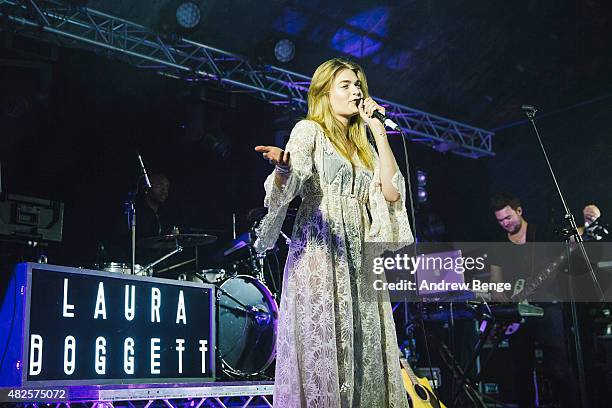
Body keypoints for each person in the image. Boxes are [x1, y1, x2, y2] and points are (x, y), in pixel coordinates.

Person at [253, 58, 413, 407]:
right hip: (321, 251)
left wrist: (378, 132)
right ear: (324, 93)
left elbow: (391, 193)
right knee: (324, 350)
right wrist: (283, 168)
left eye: (358, 85)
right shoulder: (309, 130)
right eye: (346, 85)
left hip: (359, 255)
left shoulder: (364, 147)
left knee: (362, 348)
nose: (356, 91)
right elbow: (293, 180)